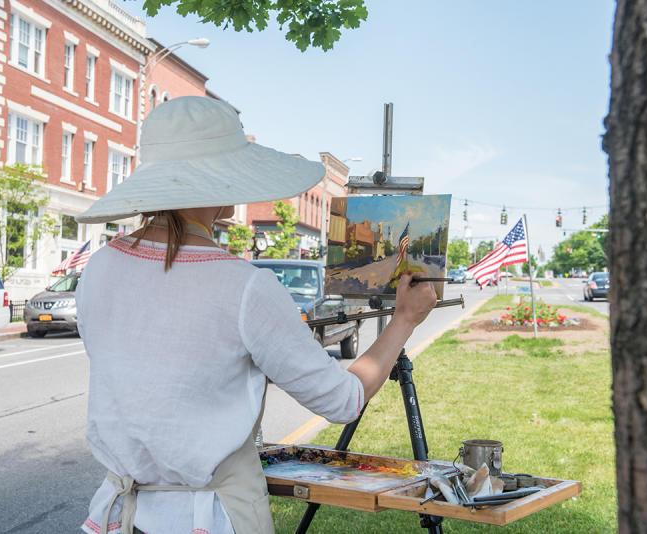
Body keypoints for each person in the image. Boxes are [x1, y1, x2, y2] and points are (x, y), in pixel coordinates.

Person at [74, 96, 437, 534]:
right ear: (221, 179)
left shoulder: (99, 268)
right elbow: (342, 399)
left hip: (115, 517)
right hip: (204, 521)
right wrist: (404, 320)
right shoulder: (243, 286)